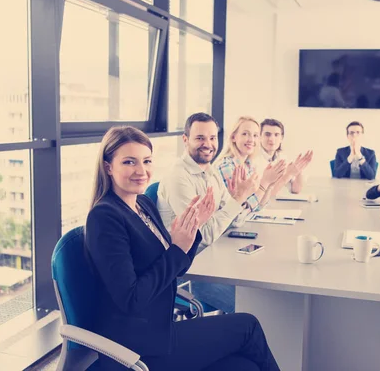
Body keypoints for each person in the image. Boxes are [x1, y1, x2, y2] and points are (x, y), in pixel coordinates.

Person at [85, 126, 280, 371]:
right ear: (108, 167)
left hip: (160, 329)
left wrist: (192, 232)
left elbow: (173, 270)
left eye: (146, 161)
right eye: (129, 162)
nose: (141, 171)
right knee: (248, 326)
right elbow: (131, 299)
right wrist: (176, 248)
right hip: (137, 346)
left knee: (245, 366)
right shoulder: (105, 217)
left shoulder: (143, 204)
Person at [157, 113, 258, 313]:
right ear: (185, 140)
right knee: (258, 307)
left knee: (263, 288)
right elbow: (204, 237)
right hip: (192, 272)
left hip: (215, 261)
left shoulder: (210, 172)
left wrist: (239, 196)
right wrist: (238, 198)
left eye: (212, 138)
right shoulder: (179, 178)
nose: (208, 144)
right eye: (200, 138)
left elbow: (235, 221)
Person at [216, 116, 286, 212]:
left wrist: (269, 185)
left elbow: (258, 207)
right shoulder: (227, 167)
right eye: (245, 134)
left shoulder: (248, 165)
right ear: (233, 137)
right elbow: (240, 212)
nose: (251, 140)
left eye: (255, 135)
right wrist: (264, 183)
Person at [258, 118, 313, 194]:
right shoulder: (253, 160)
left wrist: (298, 171)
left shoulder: (283, 158)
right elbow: (265, 195)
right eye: (267, 134)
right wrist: (288, 174)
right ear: (259, 137)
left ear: (281, 138)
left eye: (276, 135)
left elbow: (296, 189)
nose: (271, 139)